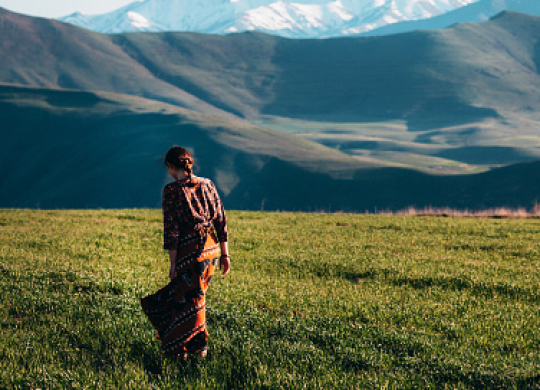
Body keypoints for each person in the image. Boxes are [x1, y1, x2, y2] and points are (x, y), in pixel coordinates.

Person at [141, 145, 230, 360]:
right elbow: (221, 220)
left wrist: (172, 264)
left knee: (191, 300)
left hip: (191, 253)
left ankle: (191, 348)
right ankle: (190, 347)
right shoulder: (208, 184)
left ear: (170, 166)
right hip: (212, 251)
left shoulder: (171, 191)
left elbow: (171, 231)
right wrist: (225, 254)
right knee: (189, 298)